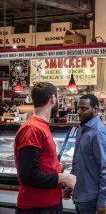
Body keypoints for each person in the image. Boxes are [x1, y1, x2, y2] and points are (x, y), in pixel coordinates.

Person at [14, 82, 76, 214]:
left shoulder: (40, 126)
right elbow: (28, 175)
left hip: (48, 204)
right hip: (37, 207)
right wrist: (63, 178)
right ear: (53, 98)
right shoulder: (32, 129)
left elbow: (43, 164)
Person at [68, 94, 106, 214]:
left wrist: (103, 201)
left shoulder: (99, 133)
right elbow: (76, 161)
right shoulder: (82, 129)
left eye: (84, 108)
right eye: (78, 108)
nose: (79, 112)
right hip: (79, 193)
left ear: (95, 109)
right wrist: (69, 186)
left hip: (92, 198)